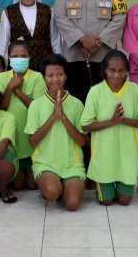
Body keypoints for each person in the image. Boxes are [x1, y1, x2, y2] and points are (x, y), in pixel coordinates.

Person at [54, 0, 128, 101]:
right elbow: (60, 16)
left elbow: (120, 16)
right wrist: (82, 39)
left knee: (104, 100)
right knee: (75, 99)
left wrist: (98, 42)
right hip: (75, 55)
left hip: (103, 55)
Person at [81, 50, 138, 206]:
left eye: (121, 70)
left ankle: (121, 186)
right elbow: (85, 125)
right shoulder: (96, 92)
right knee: (106, 201)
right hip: (104, 158)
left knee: (124, 201)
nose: (117, 75)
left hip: (127, 157)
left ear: (126, 70)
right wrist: (112, 121)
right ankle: (104, 186)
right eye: (112, 70)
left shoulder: (134, 90)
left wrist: (123, 120)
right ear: (105, 70)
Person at [25, 54, 86, 211]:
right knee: (52, 193)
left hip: (72, 164)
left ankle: (65, 187)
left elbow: (82, 141)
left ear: (66, 76)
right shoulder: (36, 105)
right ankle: (53, 187)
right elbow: (32, 141)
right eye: (50, 75)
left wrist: (63, 117)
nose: (55, 79)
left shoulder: (77, 104)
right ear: (44, 78)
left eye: (59, 74)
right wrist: (53, 117)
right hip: (45, 163)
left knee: (72, 205)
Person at [0, 41, 47, 190]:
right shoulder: (2, 78)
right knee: (17, 186)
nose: (19, 59)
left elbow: (36, 107)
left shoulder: (37, 77)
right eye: (15, 56)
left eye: (23, 56)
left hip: (30, 133)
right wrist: (10, 87)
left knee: (32, 186)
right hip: (11, 133)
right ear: (9, 58)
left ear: (30, 57)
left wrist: (17, 90)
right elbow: (1, 108)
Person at [0, 0, 62, 71]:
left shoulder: (48, 10)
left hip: (45, 66)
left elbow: (55, 41)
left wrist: (59, 61)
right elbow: (1, 42)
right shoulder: (9, 11)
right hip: (18, 67)